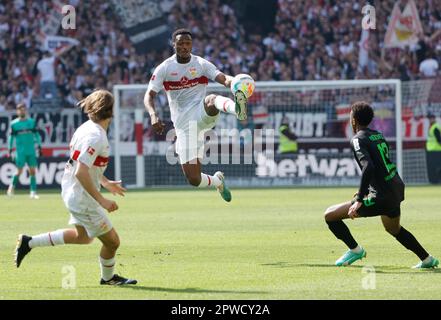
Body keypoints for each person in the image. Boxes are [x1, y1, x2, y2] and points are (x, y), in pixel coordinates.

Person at [14, 90, 137, 286]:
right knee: (113, 242)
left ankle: (29, 242)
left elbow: (85, 166)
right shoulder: (96, 136)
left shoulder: (86, 128)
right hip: (82, 196)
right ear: (111, 112)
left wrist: (105, 182)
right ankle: (108, 278)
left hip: (72, 189)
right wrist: (102, 199)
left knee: (84, 237)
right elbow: (81, 171)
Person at [324, 101, 438, 269]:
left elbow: (368, 167)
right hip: (396, 188)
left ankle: (355, 250)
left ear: (353, 120)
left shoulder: (357, 140)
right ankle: (427, 259)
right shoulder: (377, 135)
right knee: (393, 229)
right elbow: (380, 167)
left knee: (329, 215)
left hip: (382, 195)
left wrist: (359, 199)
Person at [144, 29, 249, 202]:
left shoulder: (200, 64)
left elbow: (223, 78)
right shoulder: (165, 68)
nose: (184, 47)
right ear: (174, 45)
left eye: (188, 43)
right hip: (184, 126)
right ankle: (218, 181)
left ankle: (237, 108)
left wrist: (235, 84)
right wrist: (153, 115)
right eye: (181, 44)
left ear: (191, 45)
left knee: (211, 100)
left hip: (201, 112)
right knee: (194, 179)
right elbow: (149, 95)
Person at [7, 103, 42, 199]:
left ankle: (33, 192)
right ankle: (11, 188)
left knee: (33, 171)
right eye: (20, 110)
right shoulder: (14, 124)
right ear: (17, 111)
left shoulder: (31, 122)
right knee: (19, 171)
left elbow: (37, 135)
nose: (22, 111)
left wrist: (39, 146)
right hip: (20, 152)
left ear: (25, 111)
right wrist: (10, 149)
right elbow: (11, 137)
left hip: (31, 150)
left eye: (23, 109)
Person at [426, 113, 441, 184]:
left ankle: (436, 181)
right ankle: (434, 181)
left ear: (434, 119)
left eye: (431, 118)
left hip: (436, 150)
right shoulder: (432, 126)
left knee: (436, 167)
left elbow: (439, 139)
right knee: (433, 167)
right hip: (432, 150)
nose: (430, 120)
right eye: (429, 118)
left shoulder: (435, 127)